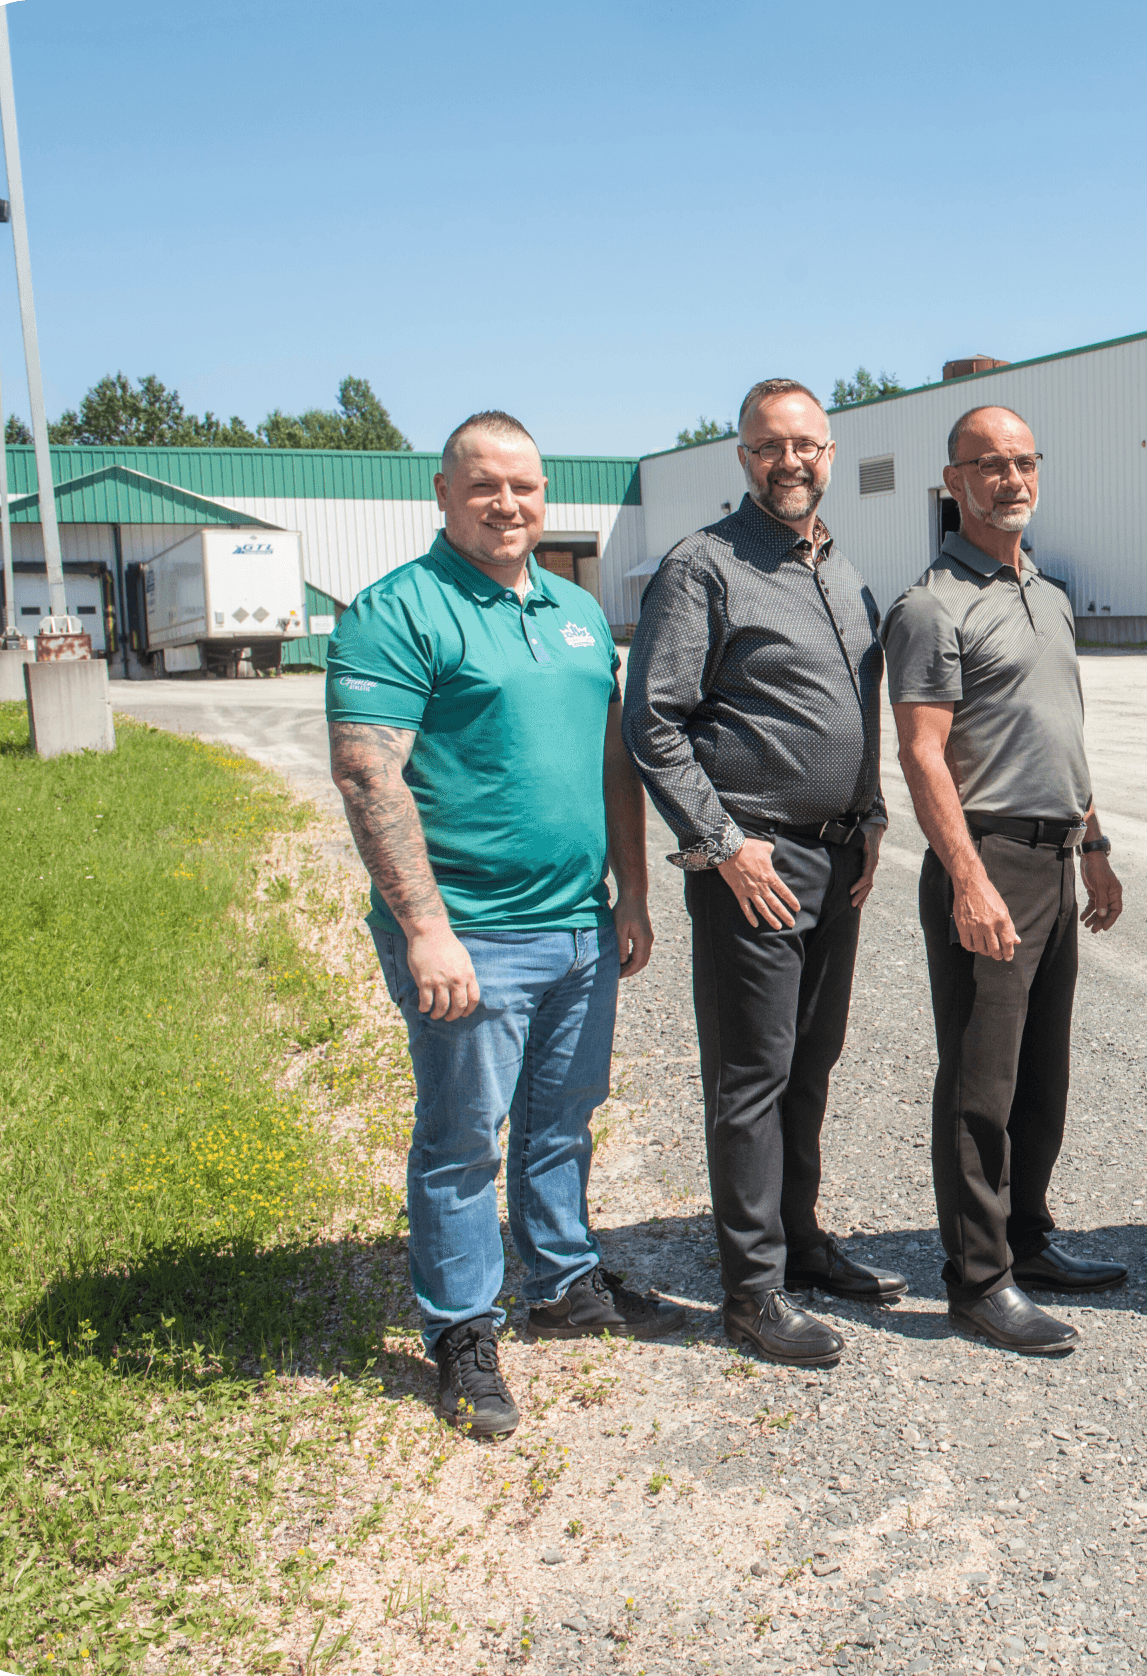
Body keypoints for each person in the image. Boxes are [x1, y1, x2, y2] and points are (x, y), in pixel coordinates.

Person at [327, 411, 685, 1440]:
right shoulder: (398, 611)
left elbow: (613, 761)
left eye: (523, 485)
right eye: (483, 485)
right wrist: (426, 929)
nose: (507, 502)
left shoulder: (576, 611)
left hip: (578, 926)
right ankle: (462, 1326)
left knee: (563, 1117)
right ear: (442, 494)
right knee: (460, 1141)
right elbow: (367, 770)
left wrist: (633, 892)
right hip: (470, 933)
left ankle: (564, 1280)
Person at [624, 377, 903, 1371]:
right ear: (743, 458)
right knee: (751, 1073)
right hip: (757, 860)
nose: (792, 461)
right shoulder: (704, 565)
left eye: (808, 446)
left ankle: (800, 1240)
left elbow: (856, 716)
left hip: (837, 856)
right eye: (769, 446)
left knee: (809, 1063)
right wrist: (721, 845)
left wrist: (870, 817)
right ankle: (751, 1290)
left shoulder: (842, 571)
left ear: (830, 454)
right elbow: (653, 722)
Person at [884, 405, 1127, 1356]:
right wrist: (969, 882)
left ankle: (1027, 1239)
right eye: (988, 465)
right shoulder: (931, 606)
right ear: (954, 482)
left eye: (1024, 462)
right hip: (986, 862)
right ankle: (977, 1279)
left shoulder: (1051, 595)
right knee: (980, 1082)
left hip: (1057, 856)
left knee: (1042, 1074)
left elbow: (1061, 733)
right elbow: (921, 753)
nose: (1010, 479)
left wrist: (1095, 844)